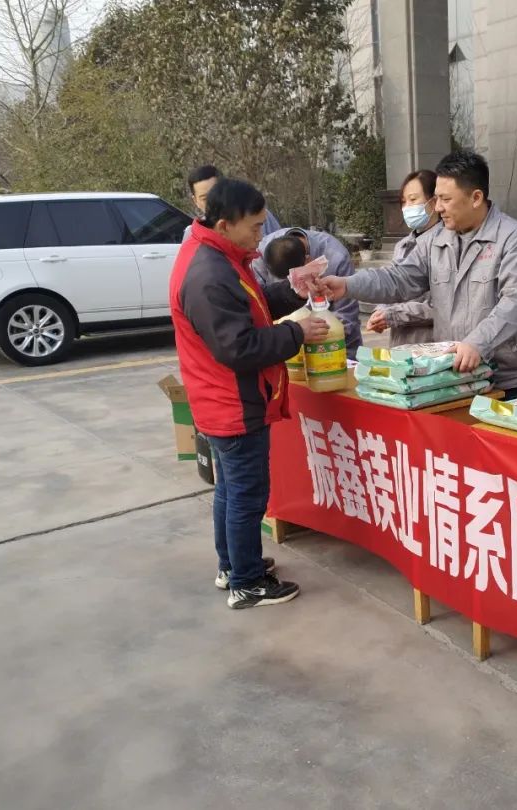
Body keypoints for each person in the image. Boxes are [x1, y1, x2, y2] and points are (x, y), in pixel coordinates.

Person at [169, 178, 328, 610]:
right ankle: (247, 582)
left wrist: (293, 290)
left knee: (230, 490)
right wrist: (298, 332)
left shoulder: (218, 256)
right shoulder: (208, 274)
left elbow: (251, 308)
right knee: (247, 495)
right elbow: (238, 348)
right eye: (256, 227)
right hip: (232, 403)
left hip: (221, 400)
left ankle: (233, 566)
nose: (262, 234)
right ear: (225, 223)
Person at [311, 150, 517, 400]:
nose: (438, 207)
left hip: (505, 382)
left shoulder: (514, 240)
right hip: (452, 377)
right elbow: (399, 278)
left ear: (476, 197)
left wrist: (477, 343)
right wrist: (347, 285)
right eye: (436, 198)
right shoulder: (435, 241)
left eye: (445, 199)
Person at [257, 227, 363, 359]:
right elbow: (258, 304)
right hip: (285, 349)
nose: (291, 287)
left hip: (334, 348)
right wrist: (292, 337)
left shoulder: (336, 257)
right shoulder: (258, 255)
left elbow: (345, 315)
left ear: (309, 261)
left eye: (295, 282)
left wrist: (316, 336)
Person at [366, 169, 440, 345]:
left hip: (430, 344)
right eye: (403, 202)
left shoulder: (445, 244)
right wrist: (380, 312)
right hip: (400, 343)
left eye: (413, 200)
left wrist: (394, 315)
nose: (407, 207)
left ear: (434, 201)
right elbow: (393, 286)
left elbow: (441, 305)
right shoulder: (403, 245)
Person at [183, 164, 282, 241]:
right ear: (195, 201)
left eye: (217, 194)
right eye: (205, 199)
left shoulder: (259, 215)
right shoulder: (193, 235)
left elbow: (283, 246)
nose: (212, 202)